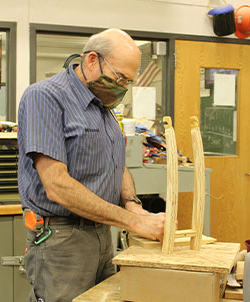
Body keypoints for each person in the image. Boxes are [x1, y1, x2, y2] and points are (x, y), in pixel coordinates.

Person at [18, 28, 165, 302]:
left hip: (101, 233)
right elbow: (57, 186)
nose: (122, 87)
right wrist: (133, 222)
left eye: (128, 82)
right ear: (92, 60)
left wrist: (132, 203)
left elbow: (116, 161)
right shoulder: (45, 97)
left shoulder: (105, 107)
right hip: (61, 238)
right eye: (120, 77)